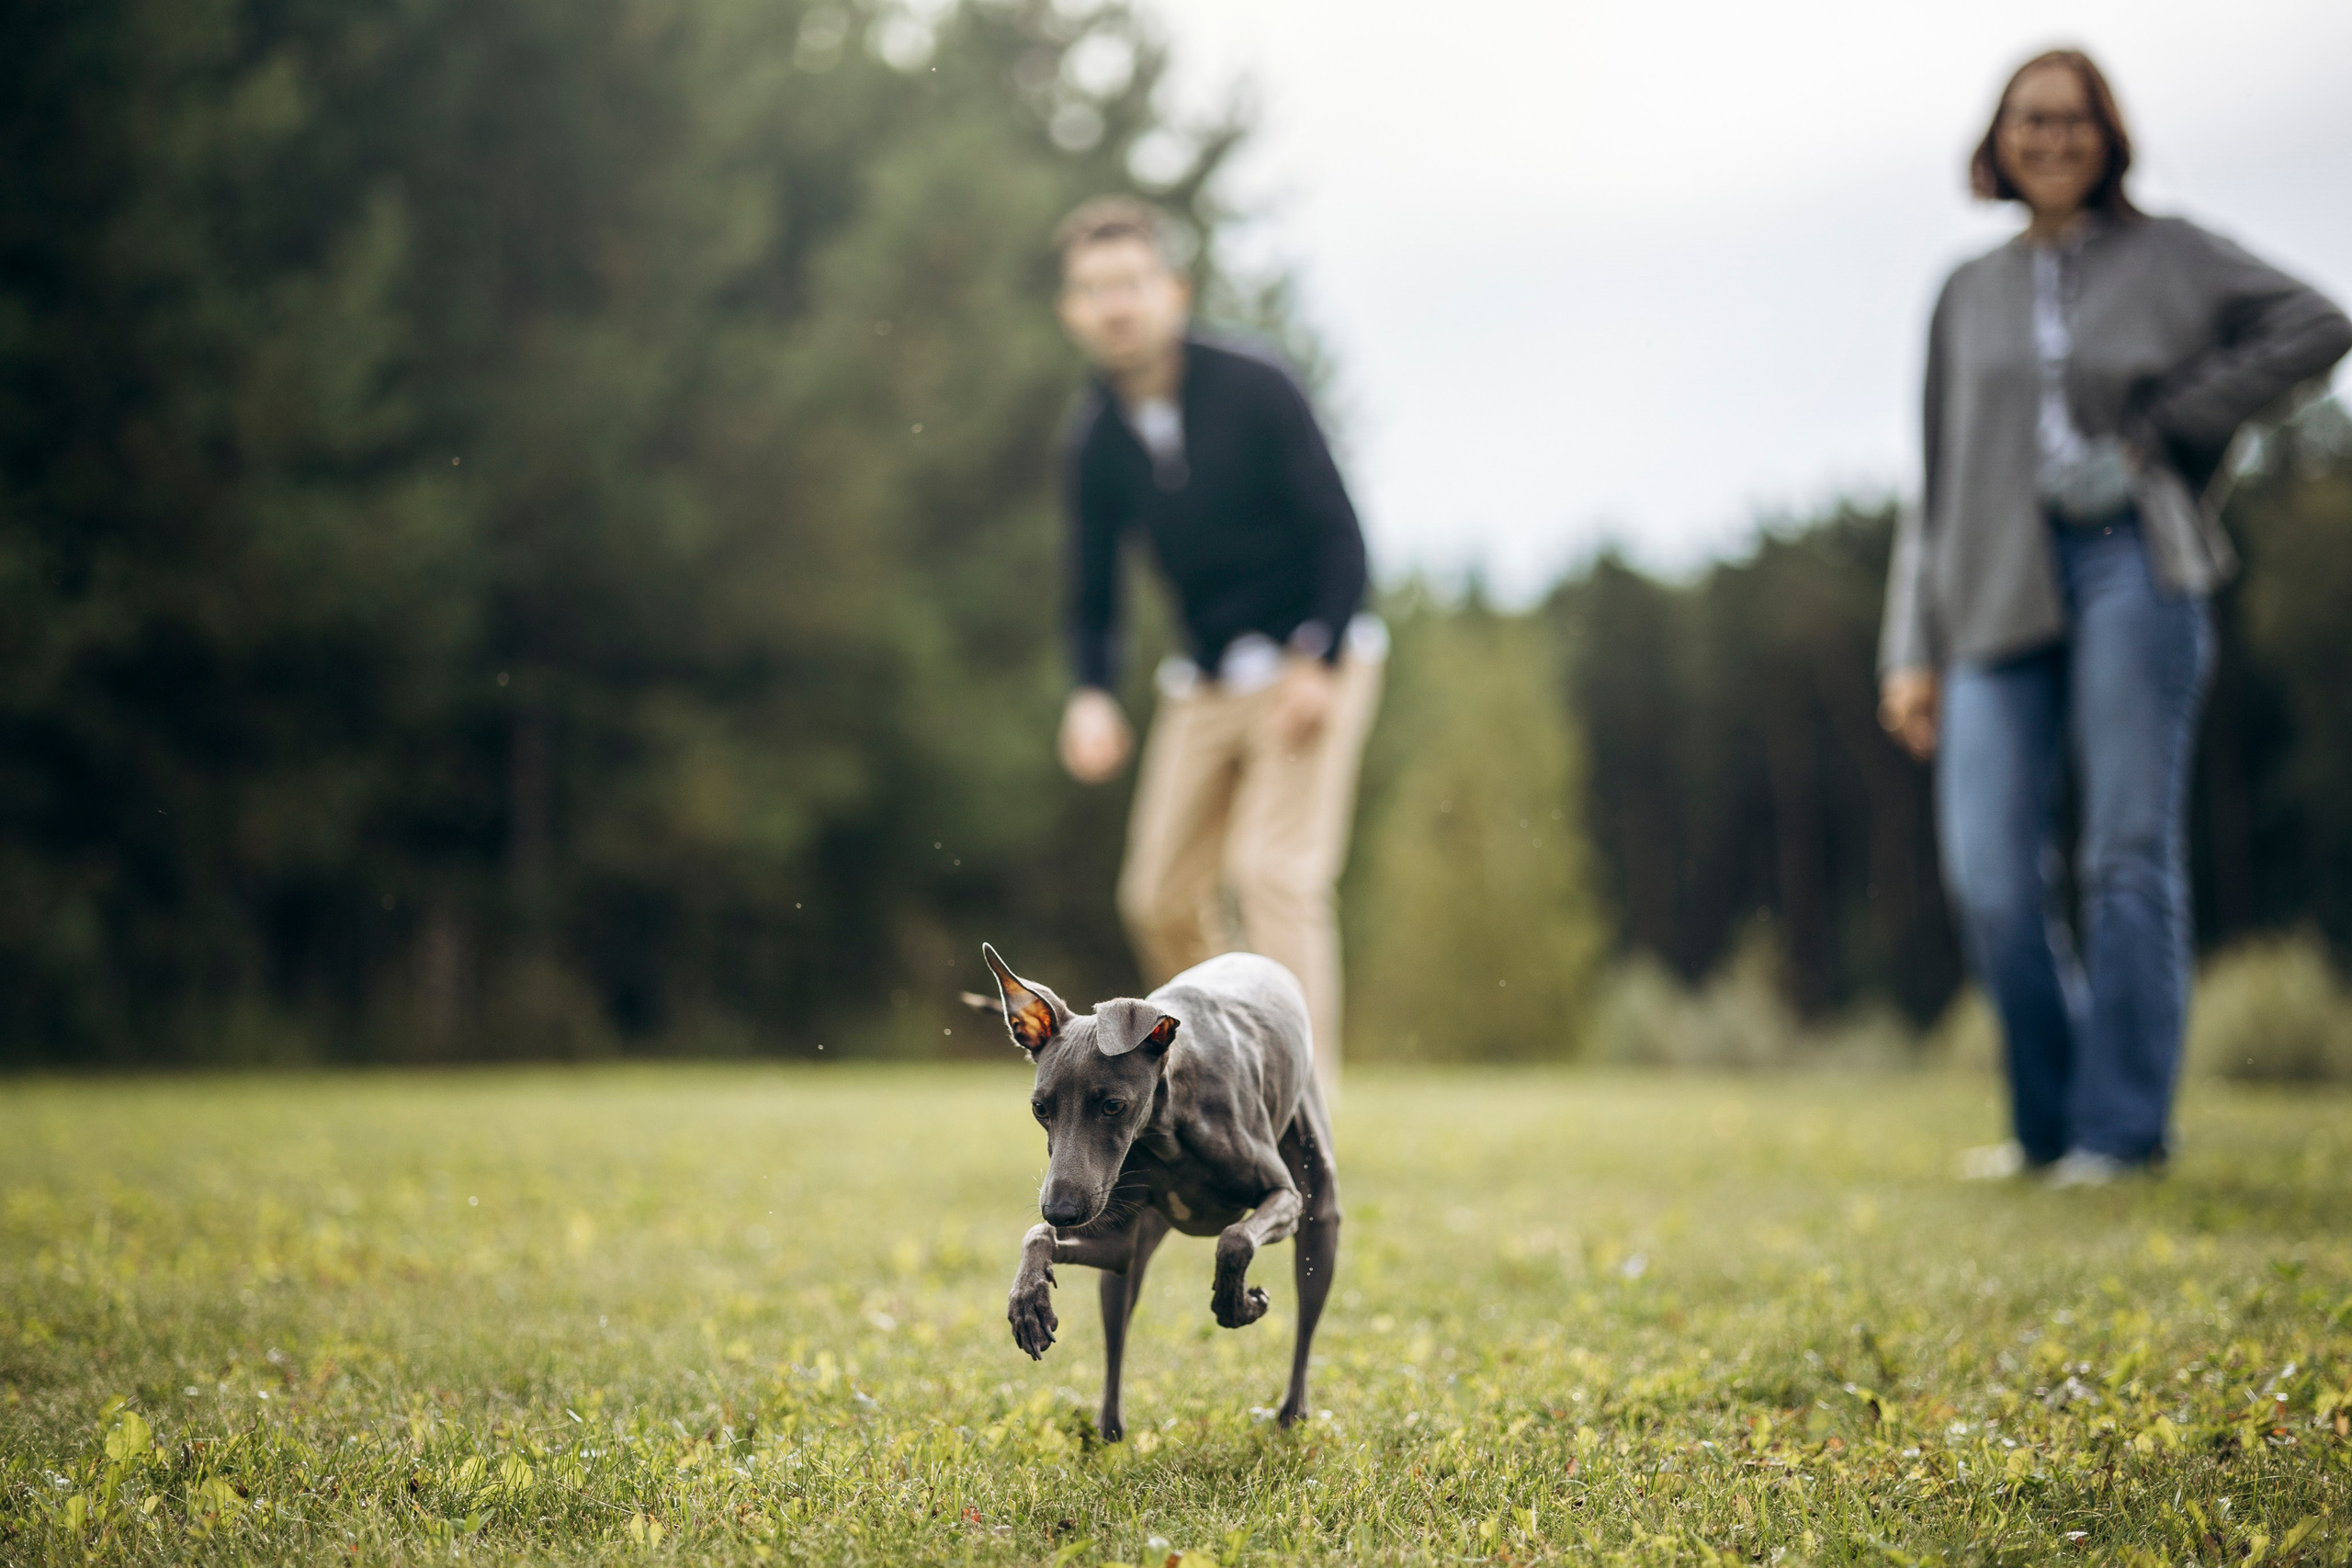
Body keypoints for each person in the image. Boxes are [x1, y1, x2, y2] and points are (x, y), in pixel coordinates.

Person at [1878, 50, 2351, 1186]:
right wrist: (1910, 648)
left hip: (2131, 561)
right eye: (2029, 119)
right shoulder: (1963, 290)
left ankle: (2119, 1130)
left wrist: (2162, 434)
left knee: (2125, 854)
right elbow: (1931, 484)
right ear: (1997, 140)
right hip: (1990, 578)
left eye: (2073, 118)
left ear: (2108, 135)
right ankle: (2046, 1126)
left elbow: (2316, 322)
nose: (2051, 138)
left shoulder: (2172, 254)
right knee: (1988, 870)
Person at [1049, 196, 1383, 1104]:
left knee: (1272, 871)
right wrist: (1090, 693)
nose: (1115, 304)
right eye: (1094, 289)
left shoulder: (1256, 386)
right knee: (1155, 894)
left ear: (1173, 291)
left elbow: (1344, 539)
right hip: (1201, 681)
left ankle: (1302, 1108)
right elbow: (1093, 591)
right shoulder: (1096, 441)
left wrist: (1315, 660)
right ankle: (1217, 1074)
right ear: (1071, 311)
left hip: (1314, 653)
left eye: (1131, 283)